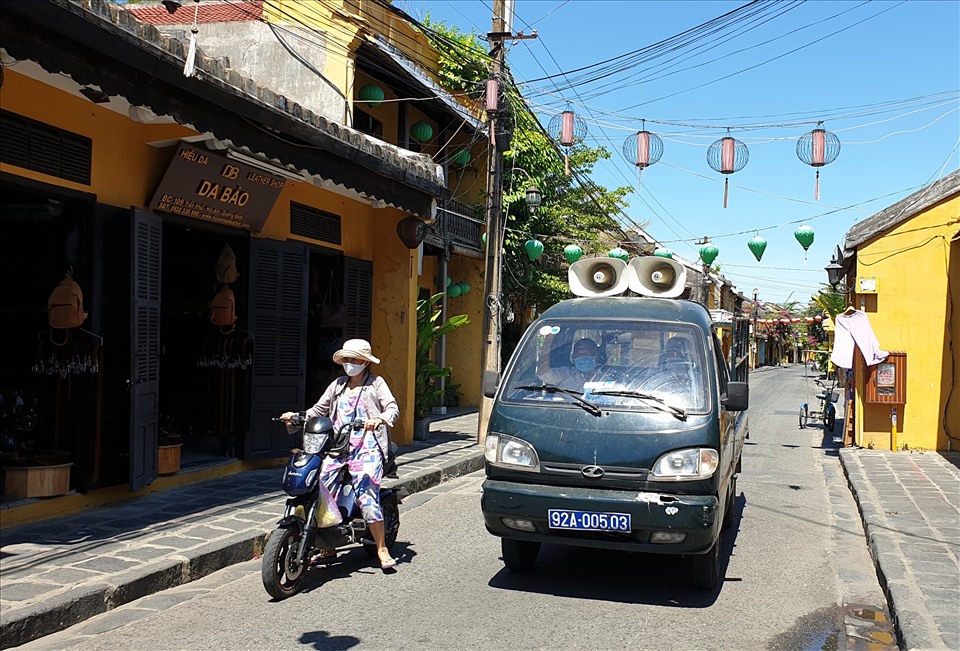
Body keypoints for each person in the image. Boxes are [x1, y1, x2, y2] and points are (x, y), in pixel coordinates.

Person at [281, 338, 399, 571]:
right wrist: (296, 415)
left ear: (365, 362)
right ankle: (329, 544)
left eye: (354, 359)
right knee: (319, 488)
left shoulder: (376, 384)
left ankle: (381, 548)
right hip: (336, 448)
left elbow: (392, 408)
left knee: (366, 496)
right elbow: (318, 411)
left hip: (367, 448)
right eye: (347, 359)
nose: (350, 363)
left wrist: (379, 420)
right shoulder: (337, 385)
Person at [536, 335, 603, 391]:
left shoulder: (605, 379)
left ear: (597, 355)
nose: (583, 357)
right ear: (573, 356)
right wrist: (549, 340)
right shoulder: (564, 373)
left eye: (587, 353)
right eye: (579, 354)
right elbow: (543, 373)